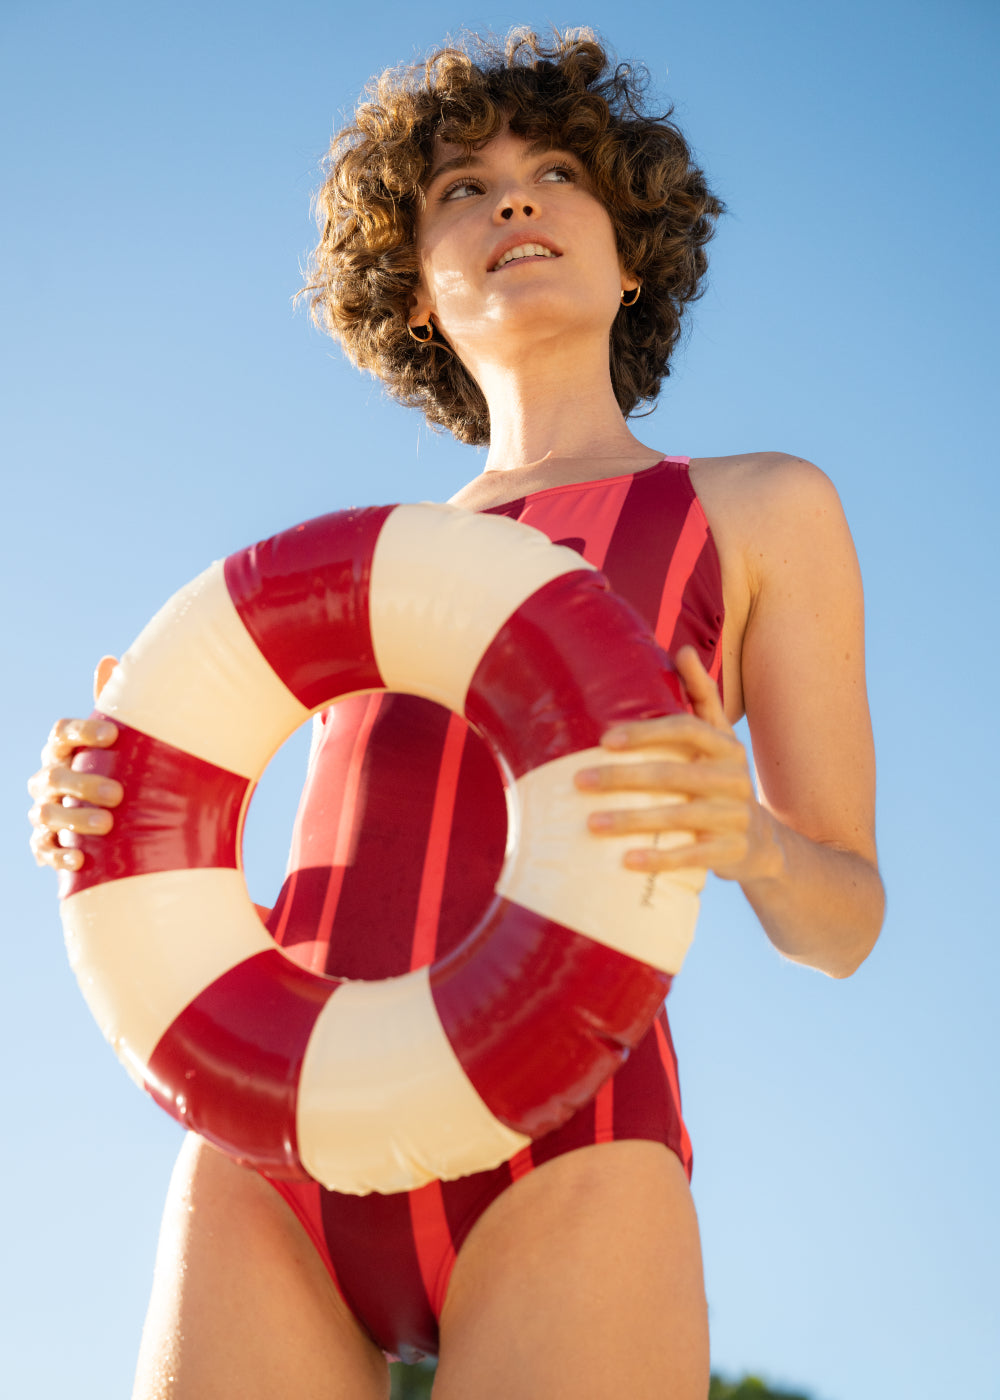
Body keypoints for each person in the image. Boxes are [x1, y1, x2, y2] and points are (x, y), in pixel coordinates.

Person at [27, 29, 884, 1400]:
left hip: (575, 1139)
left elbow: (845, 921)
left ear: (634, 250)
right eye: (459, 192)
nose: (514, 202)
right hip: (275, 1139)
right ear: (417, 292)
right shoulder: (343, 581)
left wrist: (760, 845)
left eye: (556, 172)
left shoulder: (759, 507)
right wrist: (108, 801)